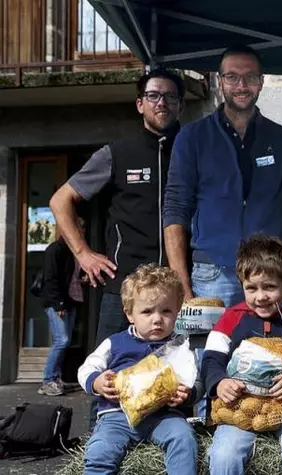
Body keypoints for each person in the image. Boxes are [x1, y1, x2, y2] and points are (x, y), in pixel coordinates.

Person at [163, 44, 282, 309]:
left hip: (271, 274)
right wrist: (181, 284)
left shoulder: (281, 138)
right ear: (220, 81)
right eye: (232, 77)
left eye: (250, 77)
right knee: (212, 351)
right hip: (212, 274)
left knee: (275, 351)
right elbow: (175, 210)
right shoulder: (192, 138)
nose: (242, 85)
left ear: (261, 83)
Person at [49, 68, 184, 346]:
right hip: (125, 287)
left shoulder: (193, 150)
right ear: (140, 104)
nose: (162, 102)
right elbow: (60, 200)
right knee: (110, 376)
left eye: (170, 96)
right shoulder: (117, 153)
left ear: (180, 104)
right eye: (153, 95)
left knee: (178, 379)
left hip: (179, 288)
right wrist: (83, 254)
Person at [78, 264, 200, 475]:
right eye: (147, 311)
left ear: (178, 311)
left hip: (163, 416)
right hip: (117, 416)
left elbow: (196, 379)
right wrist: (97, 382)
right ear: (130, 314)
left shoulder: (181, 347)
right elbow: (87, 367)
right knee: (100, 449)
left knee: (183, 438)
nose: (157, 319)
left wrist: (187, 394)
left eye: (166, 311)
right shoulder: (115, 343)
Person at [203, 235, 282, 475]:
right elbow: (211, 359)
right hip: (239, 410)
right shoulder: (231, 318)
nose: (260, 296)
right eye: (251, 288)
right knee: (224, 454)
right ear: (241, 285)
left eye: (270, 287)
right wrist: (219, 382)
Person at [38, 220, 86, 396]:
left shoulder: (75, 251)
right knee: (62, 340)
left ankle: (56, 378)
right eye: (80, 228)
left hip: (70, 300)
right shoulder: (55, 249)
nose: (82, 232)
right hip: (57, 303)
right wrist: (58, 303)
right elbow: (51, 279)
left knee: (64, 341)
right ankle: (48, 380)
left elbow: (71, 277)